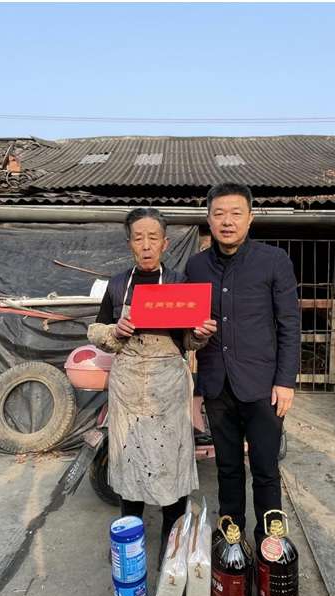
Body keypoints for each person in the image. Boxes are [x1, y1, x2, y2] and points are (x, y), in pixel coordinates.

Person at [88, 207, 217, 560]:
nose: (146, 245)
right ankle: (130, 540)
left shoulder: (180, 284)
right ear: (129, 242)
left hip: (168, 385)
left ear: (165, 243)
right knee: (129, 458)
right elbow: (95, 330)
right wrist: (115, 331)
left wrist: (200, 333)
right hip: (128, 385)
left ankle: (170, 544)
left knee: (170, 461)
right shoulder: (118, 284)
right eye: (138, 238)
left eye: (153, 238)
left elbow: (188, 340)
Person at [186, 182, 300, 546]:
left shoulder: (274, 260)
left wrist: (286, 381)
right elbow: (189, 325)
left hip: (263, 385)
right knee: (228, 467)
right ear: (208, 219)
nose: (227, 221)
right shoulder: (196, 266)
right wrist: (194, 334)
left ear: (250, 218)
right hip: (217, 385)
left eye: (236, 213)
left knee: (265, 469)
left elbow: (289, 324)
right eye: (219, 214)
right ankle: (231, 538)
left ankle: (269, 542)